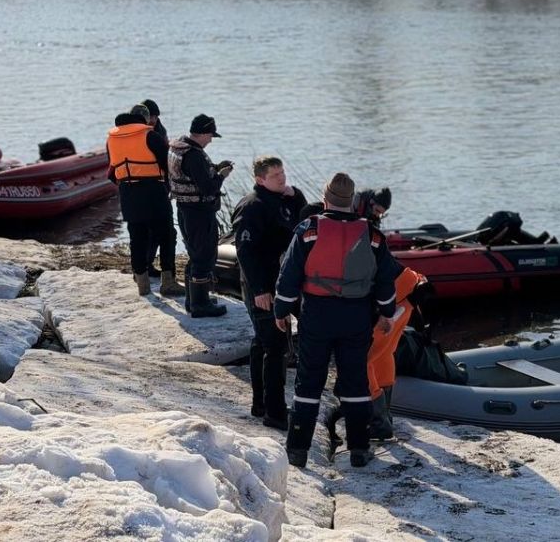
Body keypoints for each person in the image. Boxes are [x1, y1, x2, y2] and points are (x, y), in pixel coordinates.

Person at [274, 172, 401, 469]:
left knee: (309, 382)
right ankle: (359, 448)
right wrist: (385, 312)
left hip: (317, 314)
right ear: (353, 201)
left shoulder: (309, 229)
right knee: (355, 382)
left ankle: (297, 450)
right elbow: (385, 283)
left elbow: (289, 274)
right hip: (356, 316)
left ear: (325, 198)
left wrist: (281, 311)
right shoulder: (372, 235)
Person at [230, 156, 308, 429]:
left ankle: (261, 403)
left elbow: (305, 219)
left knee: (264, 343)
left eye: (283, 172)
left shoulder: (286, 199)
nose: (282, 178)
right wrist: (260, 290)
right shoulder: (252, 206)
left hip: (284, 283)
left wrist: (295, 194)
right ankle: (274, 412)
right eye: (275, 175)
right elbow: (245, 252)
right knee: (273, 346)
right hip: (261, 285)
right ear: (260, 179)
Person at [106, 105, 183, 297]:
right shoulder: (151, 136)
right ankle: (168, 283)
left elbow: (111, 172)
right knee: (167, 235)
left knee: (137, 238)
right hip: (154, 190)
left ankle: (143, 285)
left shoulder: (112, 139)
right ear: (146, 119)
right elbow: (168, 165)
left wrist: (126, 183)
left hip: (128, 193)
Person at [169, 114, 233, 318]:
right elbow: (207, 188)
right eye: (210, 135)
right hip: (198, 212)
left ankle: (193, 299)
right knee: (204, 256)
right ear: (203, 133)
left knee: (195, 253)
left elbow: (192, 176)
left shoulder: (178, 148)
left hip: (185, 208)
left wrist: (213, 168)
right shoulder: (194, 155)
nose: (211, 140)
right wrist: (221, 175)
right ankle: (200, 304)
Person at [364, 266, 429, 440]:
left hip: (392, 295)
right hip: (405, 286)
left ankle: (378, 422)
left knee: (360, 360)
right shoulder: (365, 239)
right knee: (383, 353)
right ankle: (385, 415)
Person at [140, 99, 169, 279]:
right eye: (151, 116)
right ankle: (143, 265)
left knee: (158, 230)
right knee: (145, 229)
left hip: (159, 185)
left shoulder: (160, 131)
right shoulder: (140, 134)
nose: (154, 119)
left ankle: (148, 262)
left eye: (156, 116)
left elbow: (165, 160)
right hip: (143, 186)